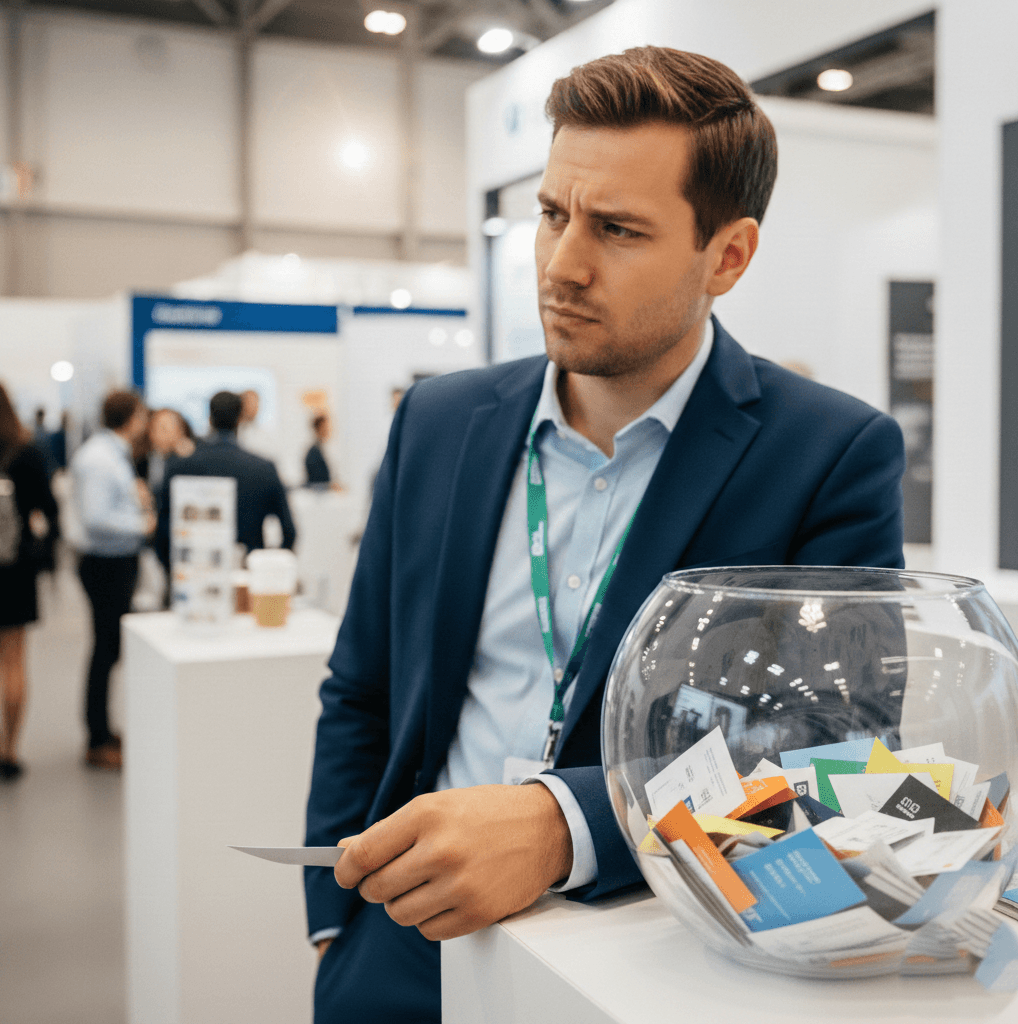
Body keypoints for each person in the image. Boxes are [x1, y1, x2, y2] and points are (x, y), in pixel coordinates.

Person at [304, 47, 906, 1023]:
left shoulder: (827, 454)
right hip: (400, 947)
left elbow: (832, 750)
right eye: (551, 215)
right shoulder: (438, 422)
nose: (562, 264)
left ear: (728, 255)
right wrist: (335, 924)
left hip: (635, 958)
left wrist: (567, 822)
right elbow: (362, 683)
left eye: (617, 230)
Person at [71, 390, 155, 770]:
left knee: (108, 650)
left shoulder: (110, 454)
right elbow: (96, 518)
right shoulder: (100, 459)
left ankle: (103, 730)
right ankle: (97, 737)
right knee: (104, 652)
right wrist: (142, 524)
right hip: (106, 563)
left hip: (115, 561)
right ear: (133, 417)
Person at [0, 383, 59, 780]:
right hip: (13, 573)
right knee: (14, 660)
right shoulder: (26, 452)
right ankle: (9, 750)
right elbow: (49, 512)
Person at [155, 391, 296, 574]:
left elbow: (163, 530)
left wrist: (175, 570)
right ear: (240, 419)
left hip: (193, 574)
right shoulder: (264, 468)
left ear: (209, 419)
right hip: (247, 576)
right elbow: (289, 531)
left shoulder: (179, 467)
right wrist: (268, 570)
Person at [304, 413, 342, 489]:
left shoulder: (323, 449)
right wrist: (331, 486)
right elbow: (317, 480)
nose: (328, 430)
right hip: (319, 495)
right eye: (325, 427)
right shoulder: (313, 453)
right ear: (318, 429)